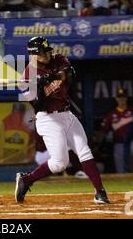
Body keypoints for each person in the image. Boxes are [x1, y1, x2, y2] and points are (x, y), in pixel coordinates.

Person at [15, 36, 109, 204]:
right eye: (42, 53)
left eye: (47, 51)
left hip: (67, 115)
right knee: (60, 163)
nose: (47, 55)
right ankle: (27, 180)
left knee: (84, 150)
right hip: (48, 118)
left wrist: (50, 78)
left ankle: (100, 192)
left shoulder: (58, 58)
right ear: (33, 54)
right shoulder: (26, 77)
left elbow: (70, 74)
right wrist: (39, 89)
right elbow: (38, 105)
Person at [100, 88, 133, 173]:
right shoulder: (111, 114)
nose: (121, 100)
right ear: (116, 99)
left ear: (126, 98)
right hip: (119, 143)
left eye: (123, 97)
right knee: (121, 169)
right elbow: (104, 130)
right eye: (119, 97)